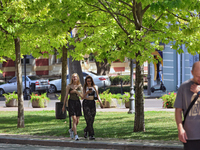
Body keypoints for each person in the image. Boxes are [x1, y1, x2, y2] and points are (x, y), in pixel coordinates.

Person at [174, 61, 200, 150]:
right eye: (197, 76)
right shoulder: (184, 87)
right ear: (192, 73)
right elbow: (178, 110)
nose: (199, 78)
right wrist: (180, 129)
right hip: (191, 136)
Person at [62, 73, 83, 141]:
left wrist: (76, 91)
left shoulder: (79, 86)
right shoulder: (69, 86)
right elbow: (66, 96)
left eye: (76, 77)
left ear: (78, 78)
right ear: (71, 78)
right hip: (71, 102)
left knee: (77, 121)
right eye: (73, 77)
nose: (75, 78)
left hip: (77, 102)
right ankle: (76, 135)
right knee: (74, 119)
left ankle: (71, 130)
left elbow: (82, 96)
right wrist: (64, 105)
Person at [82, 75, 103, 140]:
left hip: (92, 103)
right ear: (86, 81)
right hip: (86, 103)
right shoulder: (85, 87)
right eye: (87, 81)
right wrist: (87, 92)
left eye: (90, 81)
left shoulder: (95, 87)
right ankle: (91, 135)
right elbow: (82, 97)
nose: (89, 82)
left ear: (92, 81)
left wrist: (100, 102)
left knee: (92, 119)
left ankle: (86, 130)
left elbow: (98, 95)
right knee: (89, 117)